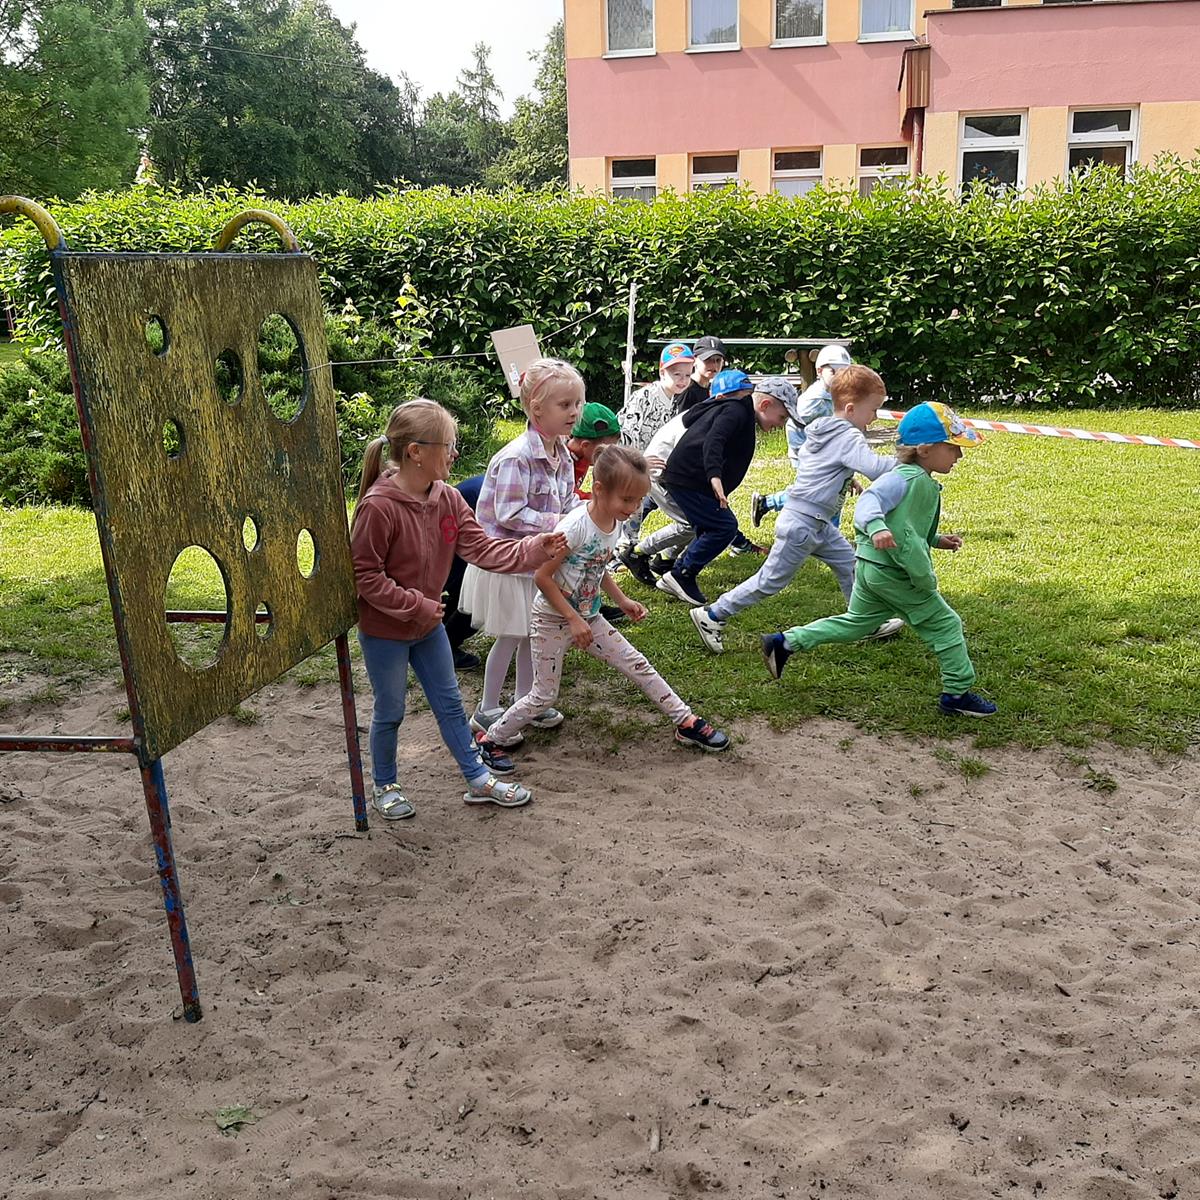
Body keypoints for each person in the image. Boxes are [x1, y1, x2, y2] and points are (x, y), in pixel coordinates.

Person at [351, 399, 568, 819]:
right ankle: (386, 784)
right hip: (385, 631)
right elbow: (366, 577)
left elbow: (483, 549)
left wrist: (533, 549)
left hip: (427, 626)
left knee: (451, 705)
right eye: (448, 445)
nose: (454, 453)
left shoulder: (448, 499)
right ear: (416, 452)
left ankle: (478, 778)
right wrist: (416, 605)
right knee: (391, 710)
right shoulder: (379, 507)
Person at [485, 445, 730, 754]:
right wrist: (573, 619)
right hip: (552, 620)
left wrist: (622, 600)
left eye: (639, 499)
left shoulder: (614, 522)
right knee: (544, 695)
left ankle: (686, 722)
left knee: (638, 664)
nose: (634, 507)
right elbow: (542, 577)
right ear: (599, 489)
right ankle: (492, 739)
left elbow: (596, 565)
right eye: (627, 499)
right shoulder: (573, 528)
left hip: (589, 617)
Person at [759, 401, 997, 718]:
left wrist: (935, 539)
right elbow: (869, 501)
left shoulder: (917, 478)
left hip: (874, 569)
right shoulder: (905, 478)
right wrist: (876, 527)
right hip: (894, 572)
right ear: (925, 450)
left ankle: (784, 642)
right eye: (953, 447)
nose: (959, 455)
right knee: (946, 624)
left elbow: (906, 522)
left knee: (855, 625)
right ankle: (957, 693)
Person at [690, 366, 904, 653]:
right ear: (851, 408)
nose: (875, 417)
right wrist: (908, 460)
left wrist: (845, 475)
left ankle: (863, 620)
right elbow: (875, 468)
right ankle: (713, 614)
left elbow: (820, 463)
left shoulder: (825, 430)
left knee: (850, 564)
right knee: (770, 581)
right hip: (803, 524)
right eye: (873, 410)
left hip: (816, 522)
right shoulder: (848, 435)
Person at [460, 358, 583, 735]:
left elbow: (567, 499)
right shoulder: (517, 457)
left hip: (538, 563)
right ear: (536, 408)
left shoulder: (562, 453)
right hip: (510, 563)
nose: (574, 412)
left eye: (577, 404)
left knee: (534, 634)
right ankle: (487, 708)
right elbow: (509, 513)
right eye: (565, 405)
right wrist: (558, 524)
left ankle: (527, 701)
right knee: (512, 635)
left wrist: (583, 516)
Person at [655, 370, 793, 607]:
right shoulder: (737, 410)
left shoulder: (739, 411)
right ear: (765, 404)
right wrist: (714, 476)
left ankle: (676, 570)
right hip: (690, 477)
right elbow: (714, 440)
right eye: (782, 417)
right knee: (724, 527)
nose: (780, 425)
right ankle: (681, 574)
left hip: (691, 479)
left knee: (710, 527)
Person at [751, 344, 854, 529]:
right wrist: (804, 454)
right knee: (815, 495)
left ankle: (767, 503)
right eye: (834, 371)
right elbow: (794, 425)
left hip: (828, 458)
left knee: (825, 493)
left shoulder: (837, 396)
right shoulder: (813, 400)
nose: (839, 377)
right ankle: (771, 505)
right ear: (819, 371)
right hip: (810, 457)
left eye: (844, 372)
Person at [616, 342, 695, 553]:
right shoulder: (646, 396)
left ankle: (632, 549)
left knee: (637, 506)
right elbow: (626, 433)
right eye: (677, 374)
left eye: (687, 375)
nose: (682, 380)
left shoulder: (674, 400)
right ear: (662, 372)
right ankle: (623, 551)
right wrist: (638, 461)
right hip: (629, 464)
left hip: (650, 467)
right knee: (628, 509)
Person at [443, 473, 485, 670]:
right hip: (450, 543)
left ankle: (438, 633)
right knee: (479, 598)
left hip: (454, 540)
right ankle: (446, 650)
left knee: (467, 593)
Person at [567, 401, 620, 499]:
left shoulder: (584, 455)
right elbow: (567, 498)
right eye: (604, 452)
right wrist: (598, 499)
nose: (608, 457)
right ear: (585, 445)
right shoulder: (563, 463)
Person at [676, 334, 726, 414]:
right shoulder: (686, 390)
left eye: (718, 360)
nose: (714, 365)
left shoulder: (714, 388)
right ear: (694, 360)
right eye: (707, 359)